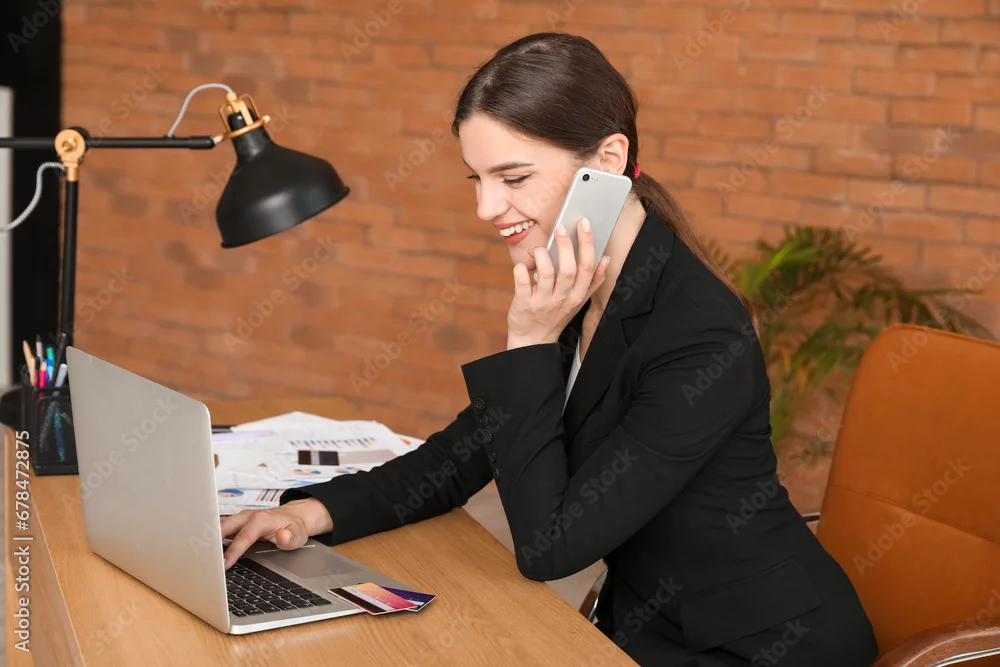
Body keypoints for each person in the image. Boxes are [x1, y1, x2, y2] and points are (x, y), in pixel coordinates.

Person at [220, 32, 878, 666]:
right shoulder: (580, 283)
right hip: (648, 624)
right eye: (477, 178)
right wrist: (310, 511)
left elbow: (551, 547)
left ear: (608, 161)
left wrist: (529, 339)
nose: (486, 207)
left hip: (759, 643)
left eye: (512, 177)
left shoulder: (698, 332)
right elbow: (460, 457)